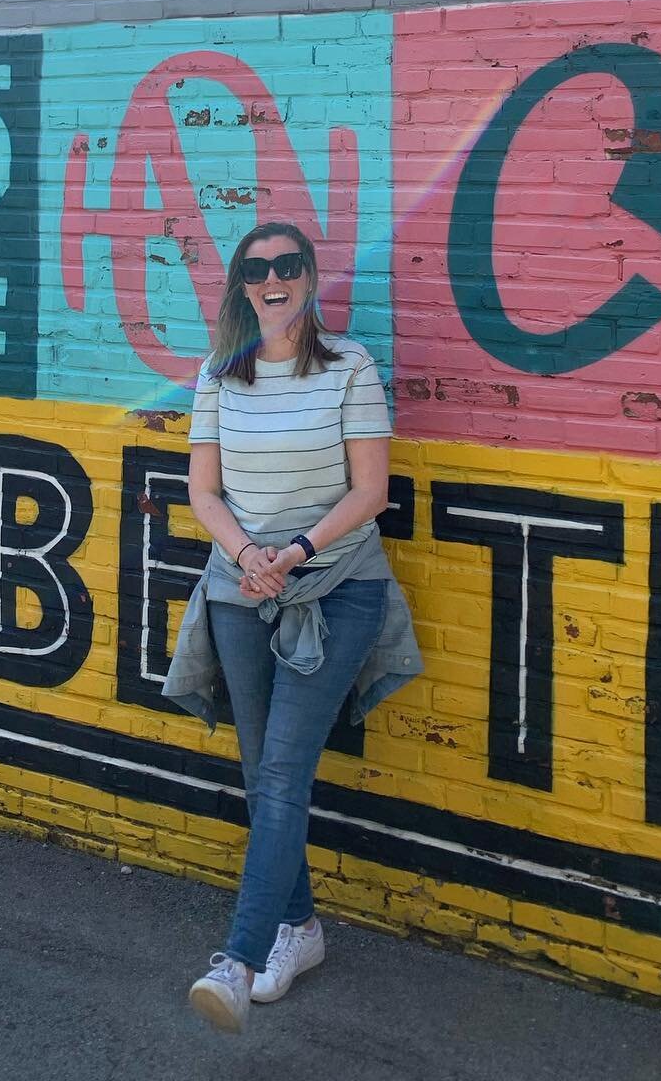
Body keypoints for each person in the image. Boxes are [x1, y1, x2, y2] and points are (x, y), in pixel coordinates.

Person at [162, 220, 423, 1034]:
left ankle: (238, 961)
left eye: (288, 266)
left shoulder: (351, 367)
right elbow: (203, 490)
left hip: (337, 588)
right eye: (257, 269)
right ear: (241, 285)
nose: (273, 280)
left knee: (280, 773)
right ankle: (300, 930)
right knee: (260, 770)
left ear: (310, 277)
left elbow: (371, 490)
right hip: (242, 586)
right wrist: (249, 554)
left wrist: (296, 551)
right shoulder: (219, 374)